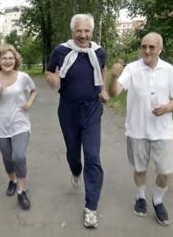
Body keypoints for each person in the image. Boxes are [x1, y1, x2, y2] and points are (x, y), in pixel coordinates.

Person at [109, 32, 173, 226]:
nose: (147, 50)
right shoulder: (132, 69)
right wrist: (113, 77)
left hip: (163, 131)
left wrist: (167, 107)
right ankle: (140, 197)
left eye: (151, 47)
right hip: (137, 130)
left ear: (160, 49)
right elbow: (114, 92)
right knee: (140, 168)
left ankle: (157, 200)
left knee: (166, 171)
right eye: (144, 46)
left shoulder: (169, 70)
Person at [45, 13, 109, 229]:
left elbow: (102, 68)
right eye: (79, 31)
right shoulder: (61, 50)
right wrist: (53, 79)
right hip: (68, 109)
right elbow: (49, 70)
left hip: (92, 109)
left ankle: (91, 208)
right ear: (73, 32)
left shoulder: (99, 51)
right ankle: (75, 169)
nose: (83, 35)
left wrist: (103, 89)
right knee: (74, 153)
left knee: (93, 156)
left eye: (87, 31)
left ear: (92, 32)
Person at [0, 44, 37, 210]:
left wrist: (29, 103)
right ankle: (12, 180)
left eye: (11, 58)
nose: (8, 61)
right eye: (4, 58)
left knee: (18, 157)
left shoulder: (23, 77)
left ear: (16, 60)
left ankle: (21, 192)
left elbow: (34, 91)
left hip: (20, 123)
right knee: (8, 159)